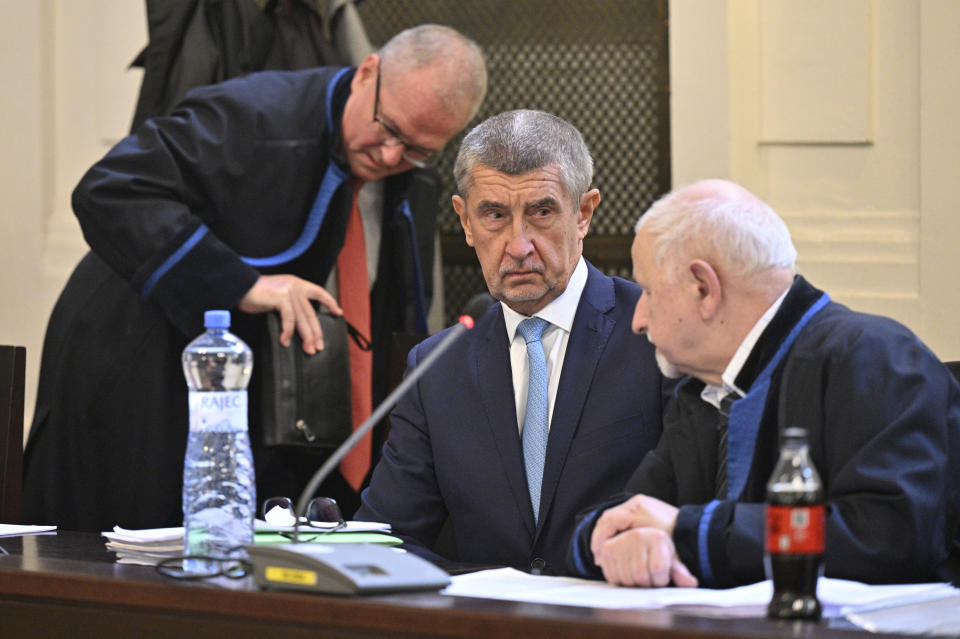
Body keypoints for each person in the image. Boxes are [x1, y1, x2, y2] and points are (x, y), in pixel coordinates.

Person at [22, 24, 487, 532]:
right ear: (367, 73)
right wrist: (244, 285)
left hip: (231, 377)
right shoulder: (253, 114)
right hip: (128, 346)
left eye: (420, 149)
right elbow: (108, 190)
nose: (392, 157)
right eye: (389, 129)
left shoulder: (397, 166)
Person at [567, 179, 960, 588]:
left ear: (704, 288)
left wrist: (691, 531)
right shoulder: (703, 391)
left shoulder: (877, 358)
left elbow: (887, 537)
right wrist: (611, 541)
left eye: (647, 291)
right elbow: (633, 512)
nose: (638, 319)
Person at [354, 110, 667, 575]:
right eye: (495, 216)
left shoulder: (656, 334)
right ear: (464, 220)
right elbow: (386, 540)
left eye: (541, 212)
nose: (518, 245)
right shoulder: (436, 366)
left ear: (583, 213)